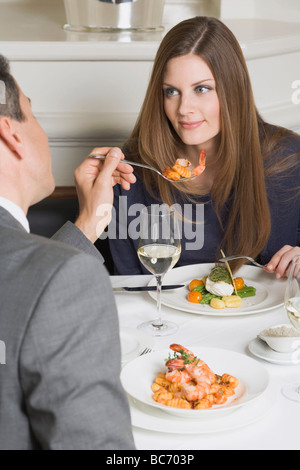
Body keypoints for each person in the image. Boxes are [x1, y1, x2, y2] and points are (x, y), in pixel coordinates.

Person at [0, 54, 136, 450]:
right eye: (34, 114)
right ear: (11, 134)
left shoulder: (46, 279)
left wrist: (90, 221)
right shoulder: (67, 280)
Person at [109, 16, 300, 278]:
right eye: (171, 92)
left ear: (233, 90)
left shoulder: (287, 158)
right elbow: (128, 287)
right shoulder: (130, 172)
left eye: (201, 89)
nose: (184, 108)